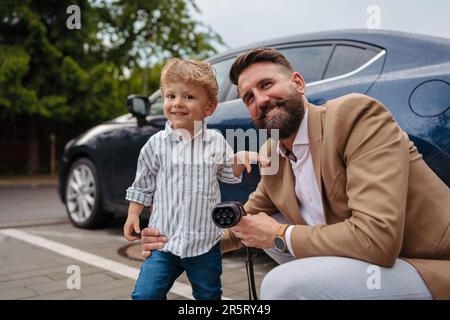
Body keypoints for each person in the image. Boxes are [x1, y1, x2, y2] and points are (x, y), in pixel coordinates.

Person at [139, 48, 450, 300]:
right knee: (258, 226)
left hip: (431, 266)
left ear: (298, 84)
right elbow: (240, 226)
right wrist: (171, 242)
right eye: (249, 97)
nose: (260, 100)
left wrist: (277, 235)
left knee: (283, 284)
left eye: (267, 85)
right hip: (372, 264)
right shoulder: (274, 155)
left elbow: (376, 239)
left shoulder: (354, 115)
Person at [123, 58, 265, 300]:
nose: (177, 103)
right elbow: (143, 184)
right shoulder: (155, 145)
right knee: (145, 295)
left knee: (208, 295)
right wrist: (133, 215)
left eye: (188, 97)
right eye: (171, 96)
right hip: (164, 243)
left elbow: (228, 175)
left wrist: (240, 159)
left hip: (205, 243)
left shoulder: (216, 142)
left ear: (209, 107)